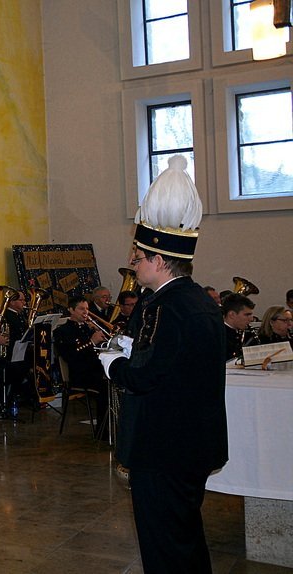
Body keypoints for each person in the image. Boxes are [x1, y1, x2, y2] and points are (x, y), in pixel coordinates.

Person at [100, 155, 227, 574]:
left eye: (137, 259)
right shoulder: (193, 301)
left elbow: (148, 376)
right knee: (183, 536)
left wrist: (113, 364)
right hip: (188, 444)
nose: (133, 267)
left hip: (166, 446)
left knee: (165, 545)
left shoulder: (169, 307)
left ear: (158, 260)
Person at [53, 296, 109, 439]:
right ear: (71, 310)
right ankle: (103, 432)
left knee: (115, 380)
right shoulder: (62, 331)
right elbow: (71, 356)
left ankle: (114, 426)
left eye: (87, 309)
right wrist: (91, 341)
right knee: (105, 386)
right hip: (79, 374)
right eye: (81, 309)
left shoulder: (87, 327)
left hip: (94, 369)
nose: (86, 313)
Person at [221, 293, 255, 362]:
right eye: (247, 315)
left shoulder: (241, 333)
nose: (251, 319)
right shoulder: (219, 334)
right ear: (232, 315)